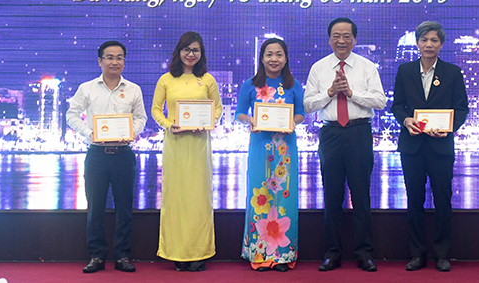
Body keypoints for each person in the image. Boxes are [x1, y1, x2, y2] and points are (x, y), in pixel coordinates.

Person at [303, 18, 386, 272]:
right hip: (330, 134)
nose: (341, 40)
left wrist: (351, 94)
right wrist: (330, 92)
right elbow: (307, 105)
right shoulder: (319, 68)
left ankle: (364, 253)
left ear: (355, 39)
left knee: (361, 195)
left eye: (347, 36)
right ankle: (331, 253)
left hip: (359, 132)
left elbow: (380, 101)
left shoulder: (367, 67)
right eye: (336, 36)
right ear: (329, 39)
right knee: (332, 195)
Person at [391, 21, 469, 272]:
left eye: (434, 40)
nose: (428, 44)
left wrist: (448, 127)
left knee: (443, 200)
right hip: (412, 146)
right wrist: (406, 120)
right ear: (417, 43)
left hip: (440, 146)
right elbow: (397, 105)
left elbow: (461, 109)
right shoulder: (404, 71)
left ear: (441, 44)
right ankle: (417, 255)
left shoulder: (453, 72)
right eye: (424, 40)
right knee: (414, 200)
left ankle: (442, 254)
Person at [66, 40, 147, 273]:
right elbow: (71, 115)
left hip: (123, 155)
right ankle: (97, 256)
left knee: (124, 208)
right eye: (110, 57)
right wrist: (89, 133)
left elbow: (141, 117)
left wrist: (134, 131)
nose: (115, 61)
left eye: (119, 57)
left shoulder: (133, 89)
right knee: (95, 208)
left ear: (124, 61)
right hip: (97, 155)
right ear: (100, 61)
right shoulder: (87, 88)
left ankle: (122, 256)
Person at [151, 31, 222, 271]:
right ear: (178, 52)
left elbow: (218, 110)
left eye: (196, 50)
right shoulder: (166, 80)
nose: (191, 54)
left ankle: (199, 252)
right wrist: (171, 125)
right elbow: (156, 110)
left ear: (201, 53)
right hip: (176, 145)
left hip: (199, 145)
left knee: (199, 198)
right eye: (186, 49)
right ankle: (176, 253)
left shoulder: (208, 80)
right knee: (176, 198)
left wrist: (208, 122)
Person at [235, 38, 305, 272]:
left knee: (285, 199)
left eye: (279, 55)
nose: (274, 59)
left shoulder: (294, 85)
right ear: (261, 58)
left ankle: (283, 255)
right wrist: (251, 119)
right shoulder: (250, 84)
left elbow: (301, 114)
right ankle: (260, 254)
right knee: (260, 197)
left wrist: (292, 122)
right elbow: (239, 114)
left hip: (285, 150)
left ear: (285, 58)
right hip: (260, 149)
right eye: (269, 54)